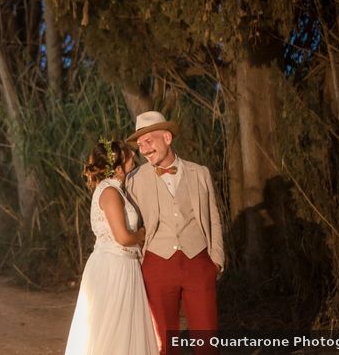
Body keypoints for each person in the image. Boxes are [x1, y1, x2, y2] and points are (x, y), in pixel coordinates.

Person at [125, 111, 224, 355]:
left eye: (149, 141)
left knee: (207, 340)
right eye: (140, 145)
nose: (144, 149)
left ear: (167, 138)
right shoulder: (133, 179)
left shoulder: (199, 172)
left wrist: (217, 261)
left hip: (199, 262)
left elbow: (214, 217)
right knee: (165, 343)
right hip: (157, 264)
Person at [64, 139, 157, 355]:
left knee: (124, 331)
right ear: (117, 167)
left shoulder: (117, 190)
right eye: (127, 155)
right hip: (114, 268)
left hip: (123, 266)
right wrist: (143, 233)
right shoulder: (110, 193)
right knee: (114, 330)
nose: (133, 156)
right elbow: (123, 237)